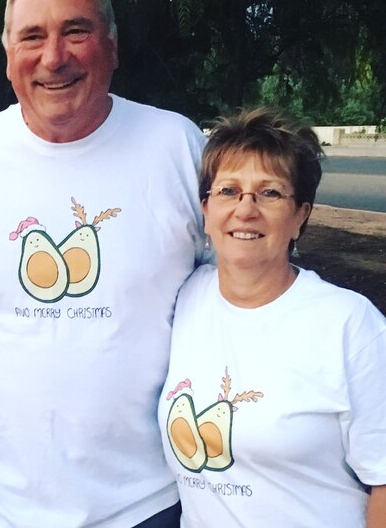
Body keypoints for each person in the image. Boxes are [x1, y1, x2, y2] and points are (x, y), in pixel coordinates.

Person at [0, 0, 207, 527]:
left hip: (147, 504)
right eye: (32, 37)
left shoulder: (177, 147)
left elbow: (240, 293)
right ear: (8, 58)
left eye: (76, 30)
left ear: (112, 46)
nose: (54, 57)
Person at [159, 108, 386, 527]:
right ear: (205, 210)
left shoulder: (350, 325)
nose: (246, 209)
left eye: (270, 193)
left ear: (301, 215)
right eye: (228, 191)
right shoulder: (189, 297)